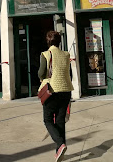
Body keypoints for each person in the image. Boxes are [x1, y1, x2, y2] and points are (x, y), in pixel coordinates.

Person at [38, 31, 73, 162]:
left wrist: (42, 78)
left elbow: (41, 73)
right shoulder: (66, 54)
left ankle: (60, 144)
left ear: (48, 42)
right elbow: (69, 73)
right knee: (60, 121)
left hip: (51, 91)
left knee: (47, 120)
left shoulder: (46, 54)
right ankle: (60, 151)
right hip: (66, 90)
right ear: (59, 41)